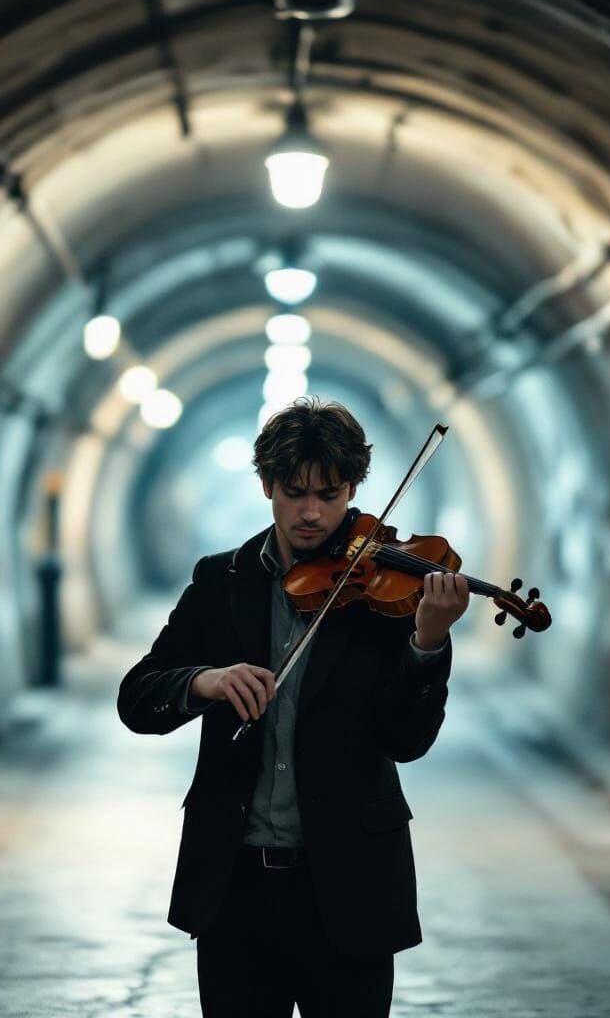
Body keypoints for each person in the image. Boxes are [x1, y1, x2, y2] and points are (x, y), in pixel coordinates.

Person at [117, 396, 469, 1017]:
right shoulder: (219, 581)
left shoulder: (386, 590)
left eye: (330, 495)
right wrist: (205, 681)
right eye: (294, 491)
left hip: (349, 885)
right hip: (234, 889)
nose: (311, 512)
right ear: (265, 485)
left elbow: (406, 740)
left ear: (354, 489)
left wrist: (428, 640)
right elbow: (137, 699)